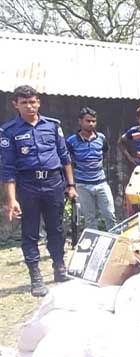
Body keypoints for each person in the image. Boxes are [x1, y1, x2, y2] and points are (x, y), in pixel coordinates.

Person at [0, 85, 75, 297]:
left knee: (56, 229)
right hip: (27, 187)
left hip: (53, 184)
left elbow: (64, 157)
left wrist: (71, 186)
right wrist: (12, 200)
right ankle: (36, 276)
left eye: (33, 102)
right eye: (24, 103)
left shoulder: (52, 126)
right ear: (15, 105)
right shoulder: (8, 131)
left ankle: (59, 268)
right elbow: (7, 169)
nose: (29, 106)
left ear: (38, 102)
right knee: (30, 233)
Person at [65, 107, 116, 231]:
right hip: (83, 185)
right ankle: (93, 245)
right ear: (80, 121)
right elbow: (68, 162)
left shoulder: (101, 138)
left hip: (101, 183)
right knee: (89, 218)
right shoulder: (71, 141)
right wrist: (70, 185)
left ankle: (116, 243)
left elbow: (105, 154)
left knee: (109, 214)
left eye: (93, 121)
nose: (91, 124)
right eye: (88, 121)